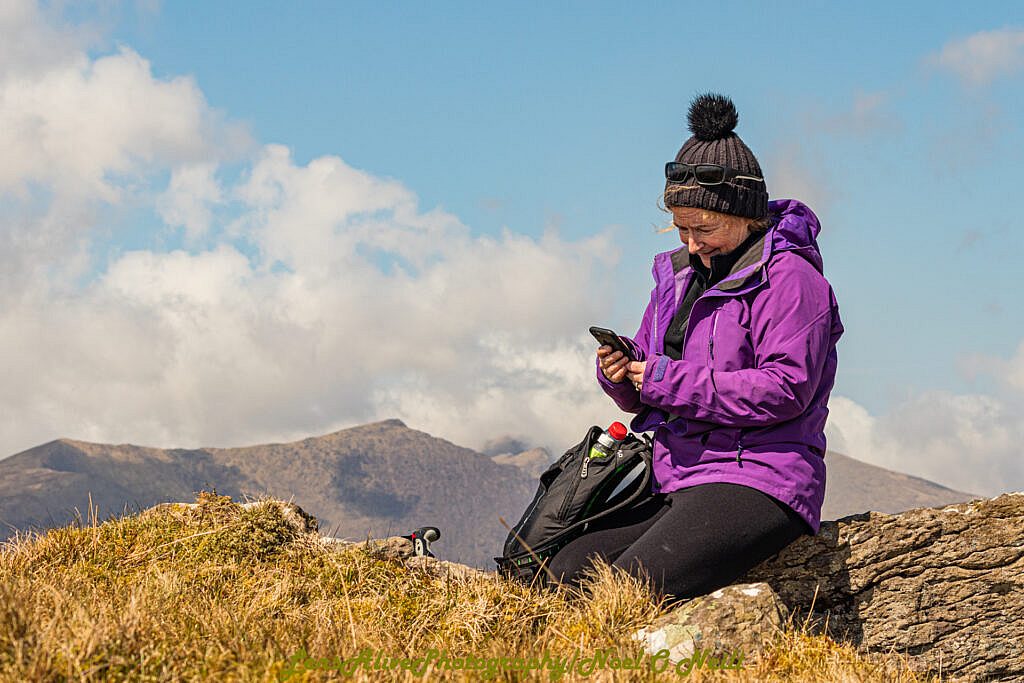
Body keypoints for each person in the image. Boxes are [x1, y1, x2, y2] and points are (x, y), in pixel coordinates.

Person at [546, 93, 844, 603]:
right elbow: (650, 371)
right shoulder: (677, 278)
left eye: (703, 229)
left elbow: (785, 389)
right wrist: (621, 373)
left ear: (745, 214)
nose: (690, 244)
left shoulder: (792, 280)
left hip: (761, 475)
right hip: (677, 472)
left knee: (626, 591)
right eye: (680, 228)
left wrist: (663, 378)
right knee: (563, 571)